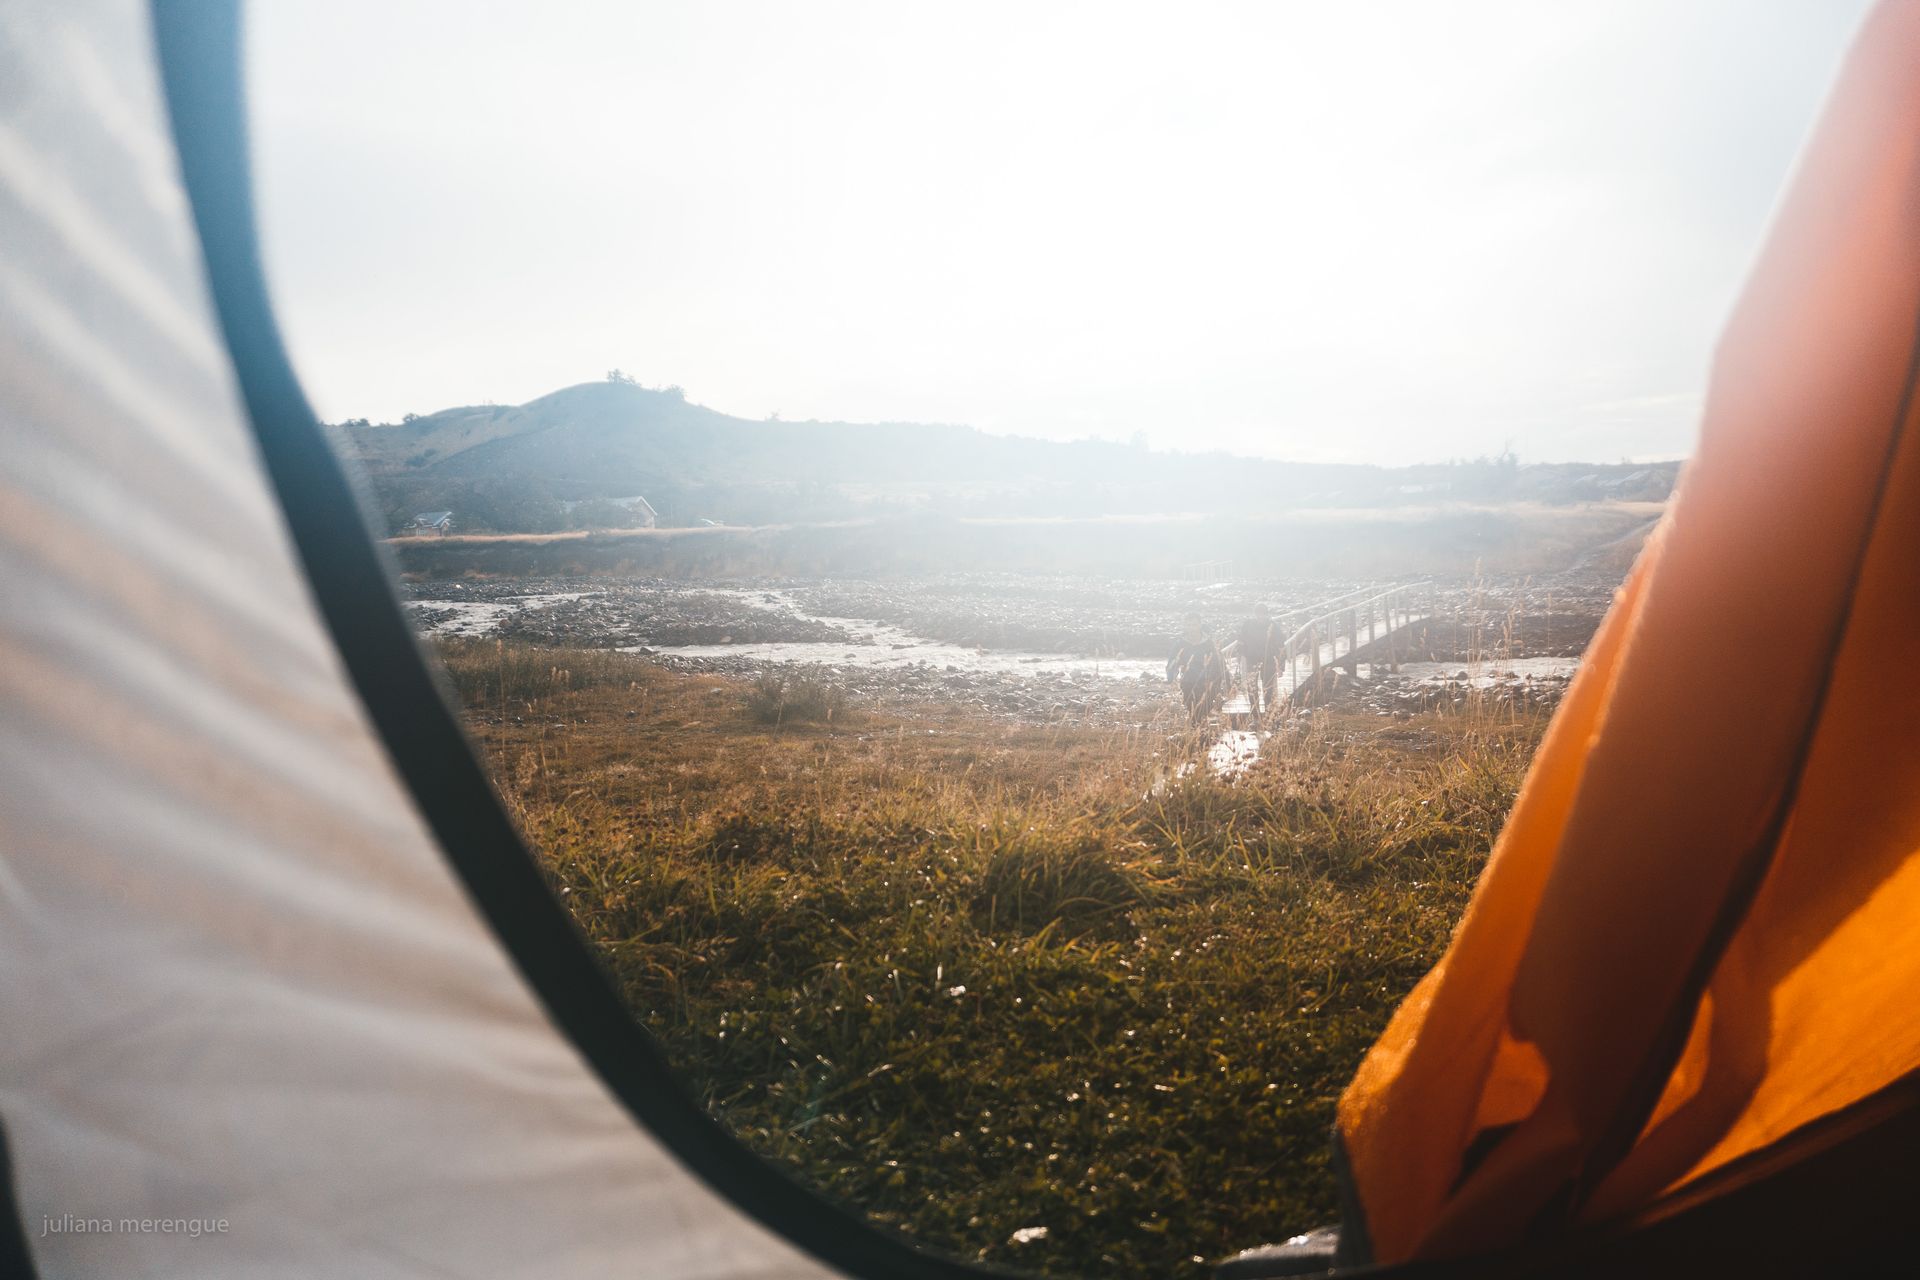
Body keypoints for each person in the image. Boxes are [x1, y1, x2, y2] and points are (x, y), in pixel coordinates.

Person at [1166, 614, 1228, 724]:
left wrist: (1225, 679)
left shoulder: (1208, 643)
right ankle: (1198, 731)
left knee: (1205, 710)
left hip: (1207, 682)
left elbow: (1219, 662)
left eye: (1194, 625)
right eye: (1188, 625)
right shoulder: (1181, 644)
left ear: (1199, 625)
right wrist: (1171, 677)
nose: (1191, 628)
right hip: (1188, 682)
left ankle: (1202, 731)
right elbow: (1172, 662)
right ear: (1185, 626)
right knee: (1192, 711)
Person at [1236, 602, 1282, 713]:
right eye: (1258, 613)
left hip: (1269, 661)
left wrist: (1280, 665)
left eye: (1263, 614)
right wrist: (1241, 655)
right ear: (1255, 614)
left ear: (1267, 614)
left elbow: (1280, 645)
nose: (1260, 616)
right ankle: (1255, 713)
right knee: (1252, 688)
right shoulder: (1248, 624)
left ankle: (1268, 712)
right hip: (1252, 660)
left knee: (1268, 688)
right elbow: (1241, 641)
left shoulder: (1273, 626)